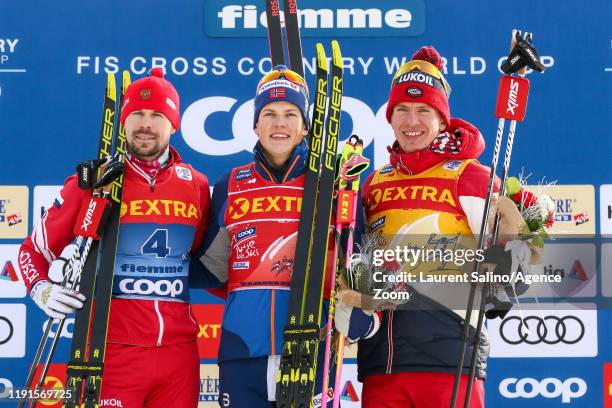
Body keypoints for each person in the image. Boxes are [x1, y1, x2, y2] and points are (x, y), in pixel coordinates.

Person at [333, 46, 542, 408]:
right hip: (382, 363)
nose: (411, 121)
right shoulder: (372, 183)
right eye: (402, 110)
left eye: (423, 111)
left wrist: (507, 259)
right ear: (390, 116)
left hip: (451, 358)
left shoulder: (471, 177)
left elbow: (515, 266)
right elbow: (352, 261)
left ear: (442, 119)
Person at [18, 68, 210, 408]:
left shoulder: (195, 185)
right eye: (136, 114)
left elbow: (198, 257)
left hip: (179, 355)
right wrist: (40, 289)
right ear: (122, 121)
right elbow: (33, 250)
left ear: (174, 124)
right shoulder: (93, 182)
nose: (145, 125)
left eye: (156, 115)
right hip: (110, 352)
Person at [192, 65, 341, 407]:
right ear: (255, 124)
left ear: (305, 126)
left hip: (310, 346)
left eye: (291, 114)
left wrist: (359, 305)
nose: (279, 123)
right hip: (242, 347)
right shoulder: (230, 184)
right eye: (269, 114)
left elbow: (355, 256)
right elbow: (214, 268)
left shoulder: (329, 184)